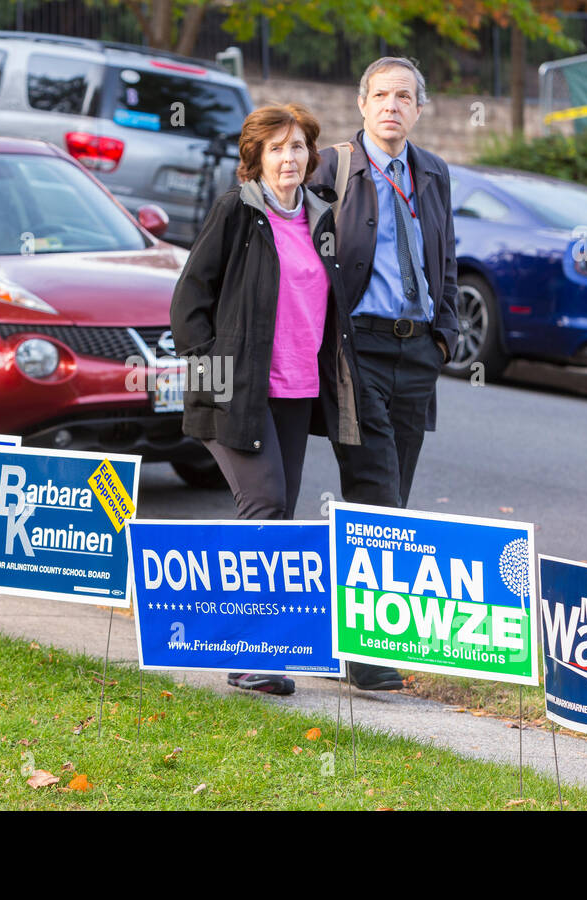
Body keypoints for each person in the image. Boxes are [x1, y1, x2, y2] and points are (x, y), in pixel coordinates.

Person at [170, 103, 362, 696]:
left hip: (296, 391)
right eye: (277, 148)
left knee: (281, 512)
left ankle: (262, 645)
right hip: (238, 390)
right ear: (256, 158)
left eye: (299, 147)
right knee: (265, 502)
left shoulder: (321, 217)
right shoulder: (238, 210)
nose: (290, 158)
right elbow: (189, 300)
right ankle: (249, 654)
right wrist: (213, 376)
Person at [309, 57, 460, 692]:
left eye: (404, 96)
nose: (392, 105)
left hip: (417, 351)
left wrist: (445, 336)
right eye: (381, 94)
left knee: (395, 492)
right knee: (375, 488)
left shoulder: (433, 172)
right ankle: (369, 656)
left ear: (418, 109)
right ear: (363, 104)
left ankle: (353, 633)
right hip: (356, 348)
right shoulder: (334, 167)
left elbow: (446, 256)